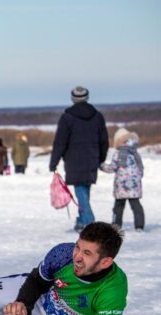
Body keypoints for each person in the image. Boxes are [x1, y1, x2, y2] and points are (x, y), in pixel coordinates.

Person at [50, 86, 109, 232]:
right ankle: (81, 220)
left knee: (81, 190)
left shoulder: (67, 117)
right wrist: (100, 158)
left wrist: (54, 161)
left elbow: (60, 142)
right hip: (91, 159)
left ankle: (90, 224)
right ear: (87, 97)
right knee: (84, 190)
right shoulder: (97, 116)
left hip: (74, 161)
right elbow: (104, 141)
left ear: (73, 98)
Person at [101, 128, 145, 232]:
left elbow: (112, 167)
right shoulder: (135, 153)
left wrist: (101, 166)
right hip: (134, 186)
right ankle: (139, 226)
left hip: (121, 187)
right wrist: (137, 179)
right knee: (136, 205)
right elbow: (141, 168)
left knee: (118, 207)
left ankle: (116, 225)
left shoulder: (118, 153)